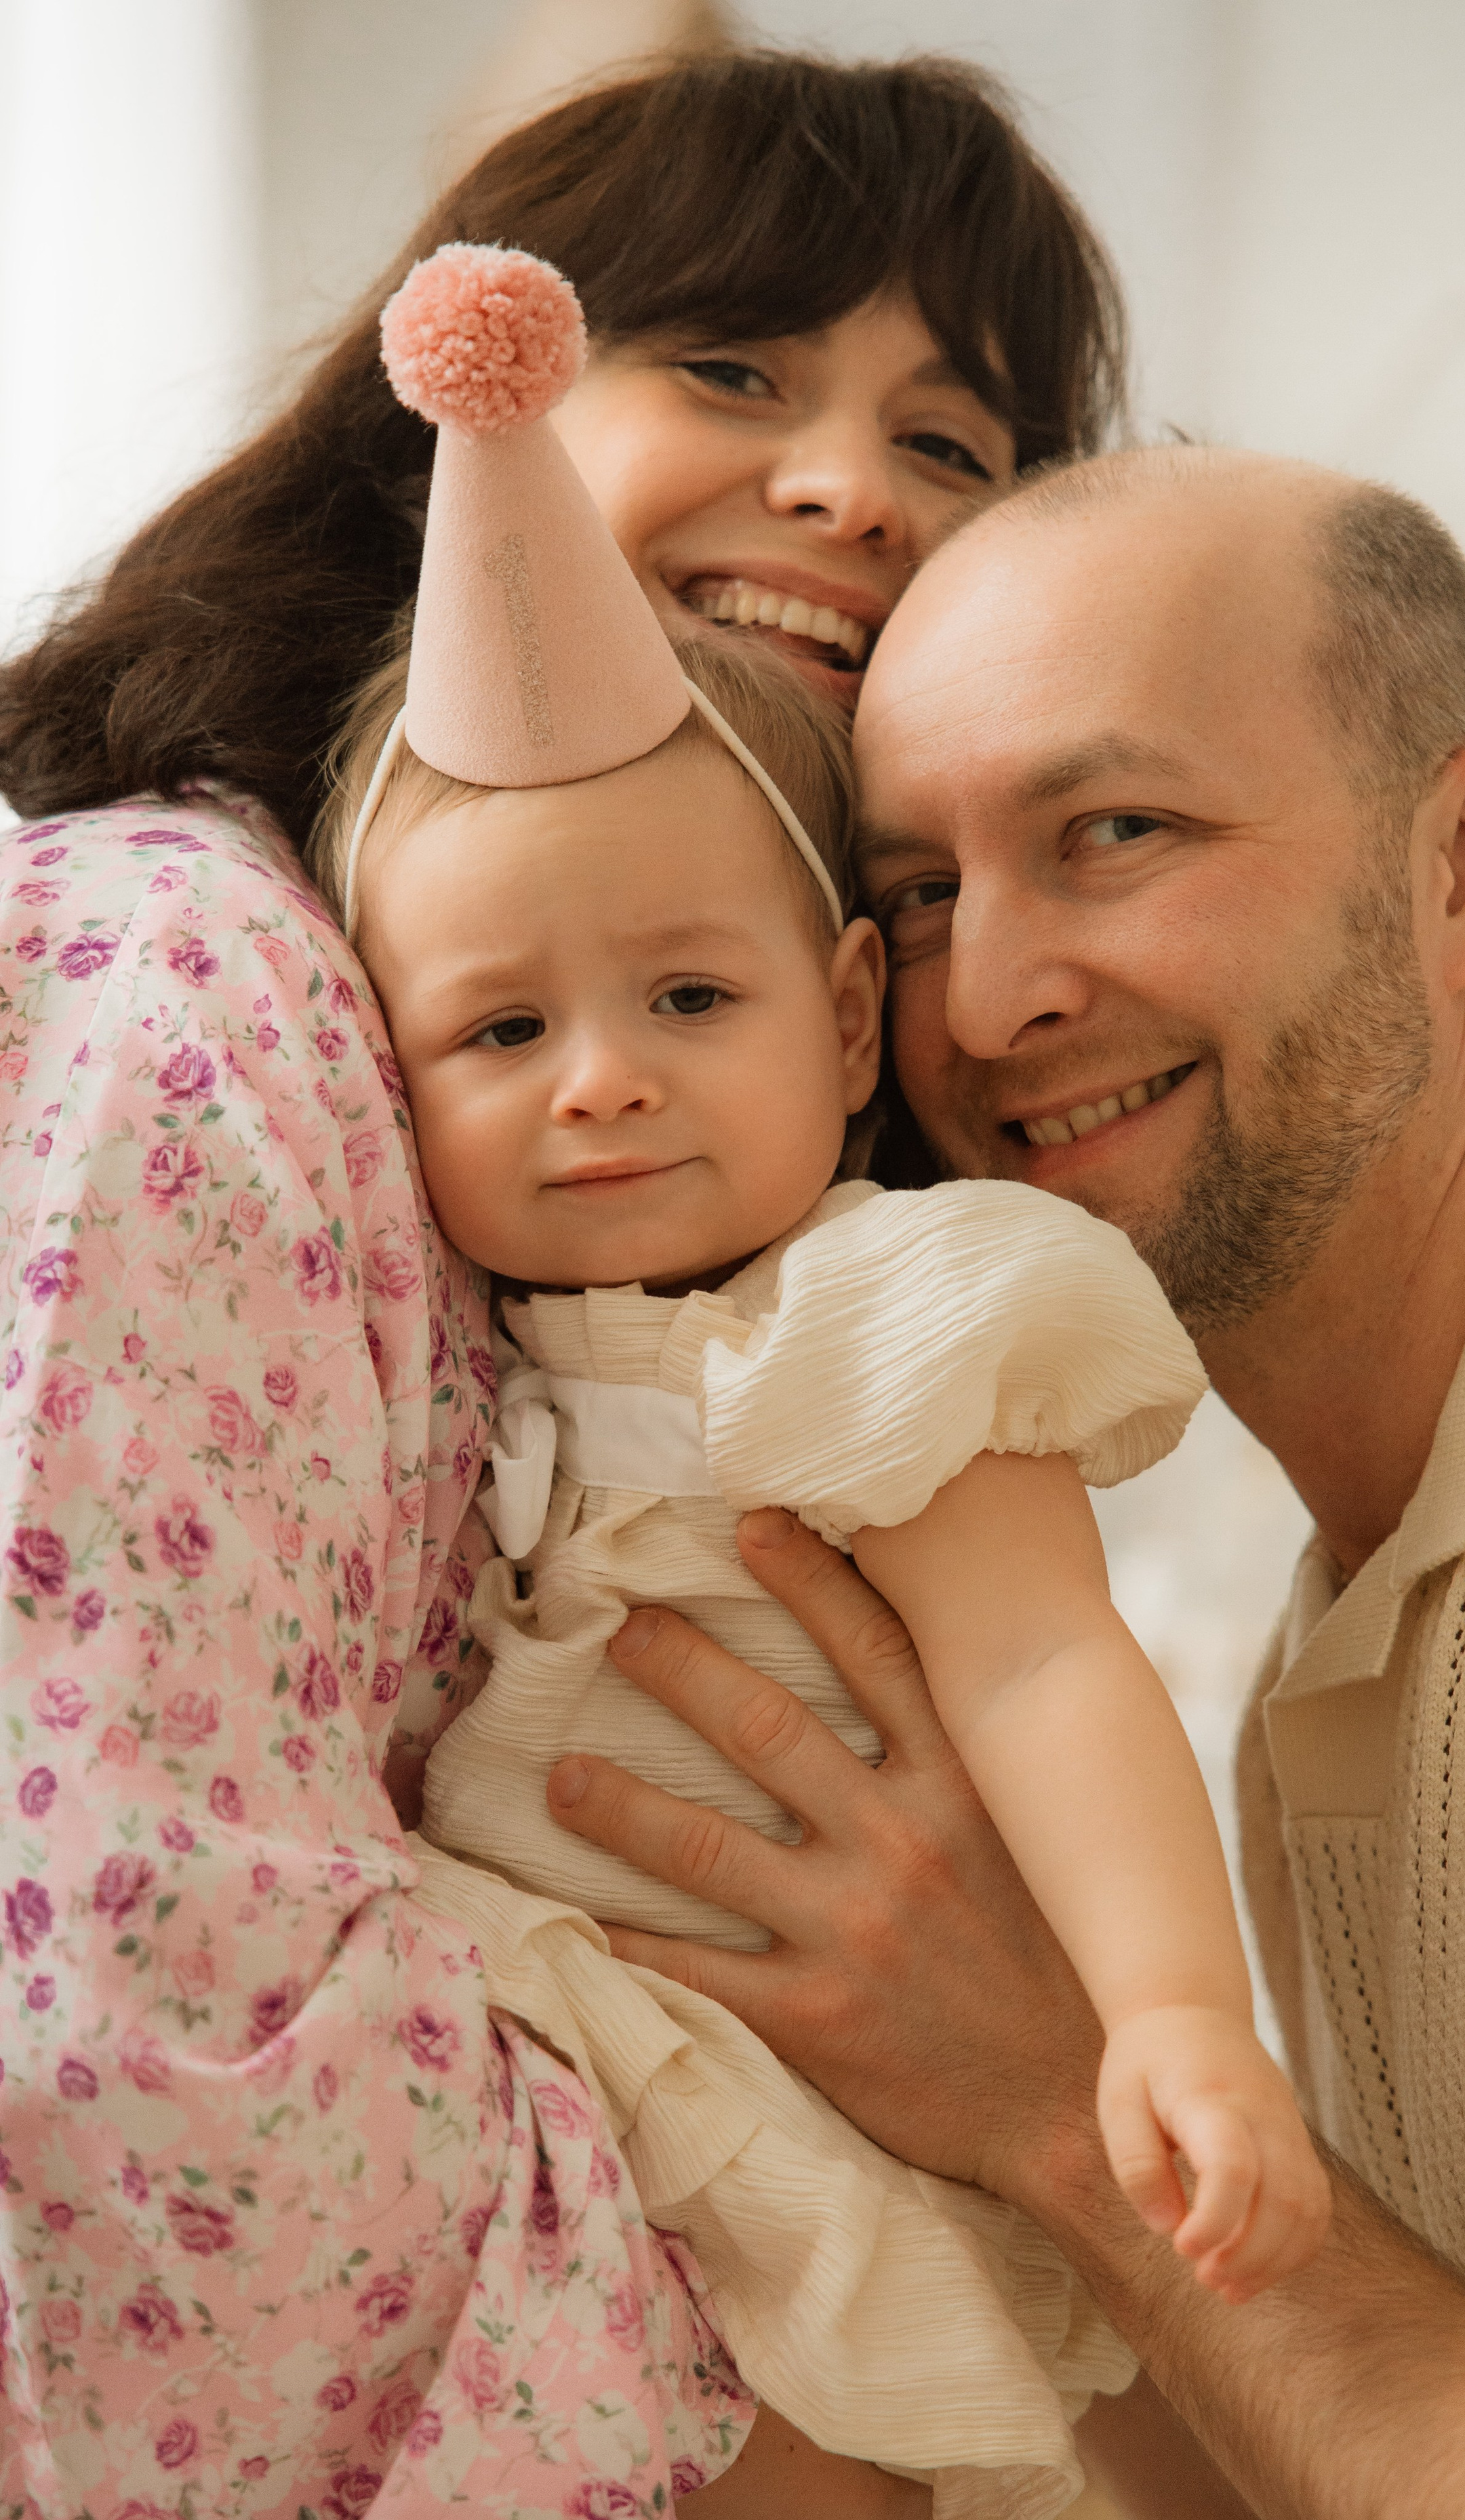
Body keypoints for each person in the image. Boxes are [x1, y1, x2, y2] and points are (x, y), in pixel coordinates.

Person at [0, 51, 1124, 2515]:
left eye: (954, 442)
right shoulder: (197, 982)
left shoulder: (737, 1241)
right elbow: (120, 1978)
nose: (852, 489)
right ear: (447, 435)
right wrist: (783, 2441)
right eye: (733, 367)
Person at [538, 445, 1465, 2519]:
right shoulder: (1357, 1601)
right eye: (922, 897)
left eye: (1114, 833)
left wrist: (1043, 2091)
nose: (992, 1005)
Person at [326, 242, 1322, 2519]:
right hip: (553, 2052)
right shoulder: (442, 1352)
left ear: (855, 1020)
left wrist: (1178, 2015)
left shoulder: (881, 1317)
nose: (600, 1082)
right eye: (502, 1031)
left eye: (690, 1000)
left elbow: (1051, 1660)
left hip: (814, 2111)